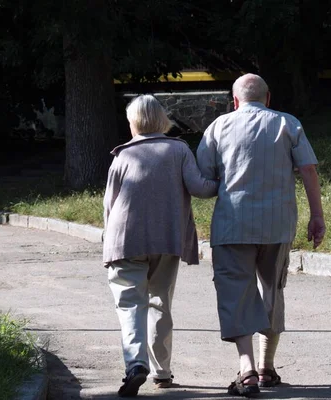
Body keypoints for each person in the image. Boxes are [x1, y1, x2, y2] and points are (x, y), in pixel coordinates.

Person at [196, 73, 326, 397]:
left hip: (231, 226)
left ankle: (247, 370)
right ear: (268, 99)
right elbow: (308, 169)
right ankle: (267, 367)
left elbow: (203, 178)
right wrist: (317, 216)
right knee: (272, 291)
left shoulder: (218, 127)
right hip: (277, 226)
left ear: (235, 100)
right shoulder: (288, 124)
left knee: (234, 294)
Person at [103, 94, 218, 397]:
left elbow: (109, 206)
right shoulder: (178, 149)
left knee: (130, 303)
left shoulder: (123, 155)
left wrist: (108, 239)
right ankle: (161, 372)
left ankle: (135, 363)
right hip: (167, 239)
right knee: (160, 303)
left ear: (134, 123)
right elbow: (200, 188)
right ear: (162, 120)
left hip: (126, 239)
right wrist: (225, 180)